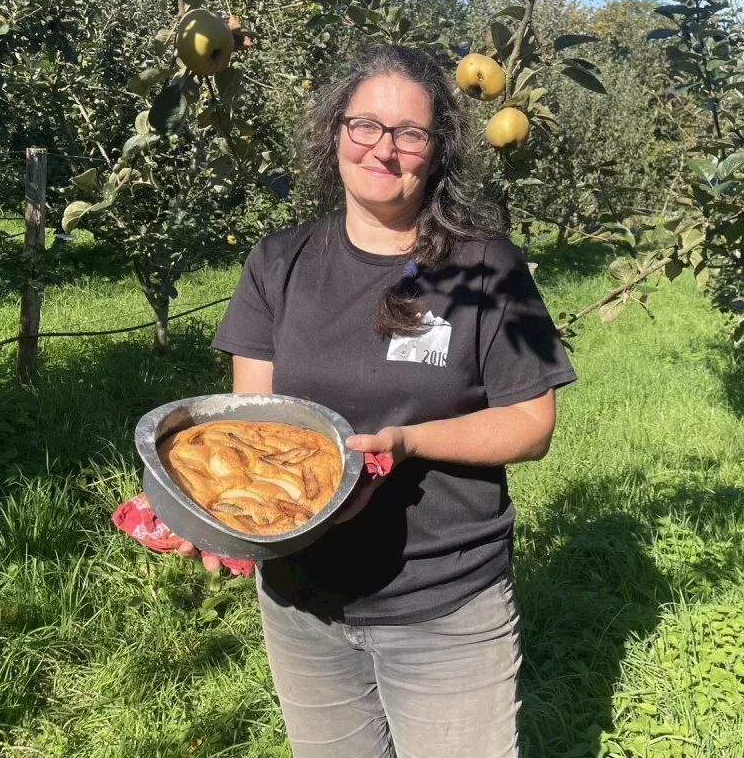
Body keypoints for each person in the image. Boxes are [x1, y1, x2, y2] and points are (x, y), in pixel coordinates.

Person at [180, 43, 576, 758]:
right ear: (335, 133)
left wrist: (408, 442)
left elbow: (531, 421)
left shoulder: (486, 266)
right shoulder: (279, 263)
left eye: (409, 133)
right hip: (302, 603)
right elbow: (248, 430)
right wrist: (207, 512)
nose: (383, 149)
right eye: (364, 125)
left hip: (444, 604)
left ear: (437, 151)